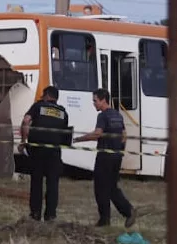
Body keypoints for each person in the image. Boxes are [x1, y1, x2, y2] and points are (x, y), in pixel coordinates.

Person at [73, 88, 136, 228]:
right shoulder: (118, 115)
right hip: (116, 156)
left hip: (105, 156)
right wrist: (120, 151)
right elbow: (124, 135)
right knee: (112, 187)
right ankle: (128, 211)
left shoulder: (103, 116)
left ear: (103, 100)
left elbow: (97, 134)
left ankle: (104, 220)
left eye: (95, 101)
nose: (93, 104)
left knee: (100, 188)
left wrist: (78, 139)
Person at [18, 85, 70, 221]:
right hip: (54, 152)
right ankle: (51, 215)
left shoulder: (38, 106)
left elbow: (26, 121)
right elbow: (65, 133)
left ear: (46, 95)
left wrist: (24, 141)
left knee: (36, 182)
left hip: (38, 150)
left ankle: (35, 214)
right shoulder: (63, 112)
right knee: (53, 184)